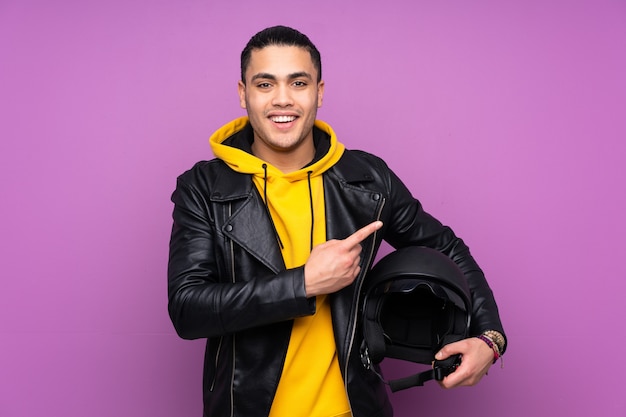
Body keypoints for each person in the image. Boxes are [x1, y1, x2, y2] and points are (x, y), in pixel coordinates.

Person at [168, 25, 506, 417]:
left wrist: (490, 337)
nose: (282, 100)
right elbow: (188, 307)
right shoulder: (204, 187)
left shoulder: (368, 179)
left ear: (320, 92)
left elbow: (446, 248)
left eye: (298, 82)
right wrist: (304, 284)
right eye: (265, 84)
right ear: (243, 94)